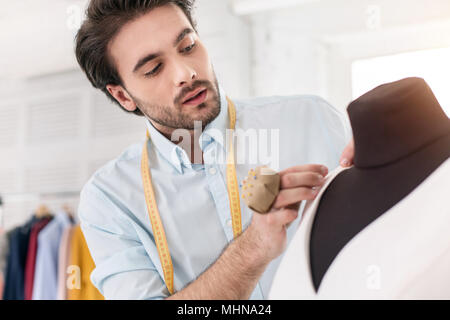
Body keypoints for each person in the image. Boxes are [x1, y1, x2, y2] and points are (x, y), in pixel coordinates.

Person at [75, 0, 354, 300]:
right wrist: (254, 248)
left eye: (188, 46)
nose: (186, 73)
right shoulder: (110, 199)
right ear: (122, 96)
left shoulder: (312, 118)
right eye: (155, 68)